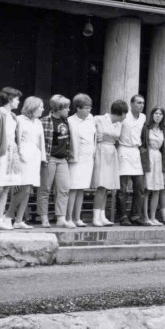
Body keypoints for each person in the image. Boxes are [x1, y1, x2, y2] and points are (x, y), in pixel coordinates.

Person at [0, 87, 22, 230]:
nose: (18, 102)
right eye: (17, 99)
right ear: (9, 99)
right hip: (1, 155)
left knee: (6, 188)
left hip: (11, 155)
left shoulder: (13, 116)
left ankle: (0, 220)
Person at [90, 99, 126, 227]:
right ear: (120, 113)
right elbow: (90, 133)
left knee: (106, 187)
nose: (125, 116)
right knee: (101, 186)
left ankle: (102, 215)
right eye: (124, 113)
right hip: (101, 151)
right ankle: (95, 217)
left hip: (111, 152)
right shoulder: (98, 119)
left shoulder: (119, 124)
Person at [11, 96, 46, 229]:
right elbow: (17, 139)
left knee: (29, 188)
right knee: (24, 189)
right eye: (40, 106)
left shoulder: (38, 122)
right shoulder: (19, 120)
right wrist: (19, 155)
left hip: (34, 157)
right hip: (22, 156)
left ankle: (19, 220)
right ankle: (8, 216)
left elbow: (40, 141)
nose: (43, 109)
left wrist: (43, 158)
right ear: (33, 107)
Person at [38, 94, 72, 228]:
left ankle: (61, 218)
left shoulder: (66, 121)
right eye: (66, 108)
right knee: (45, 189)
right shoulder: (44, 121)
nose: (69, 110)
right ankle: (44, 218)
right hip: (49, 158)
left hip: (63, 159)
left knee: (64, 189)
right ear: (58, 108)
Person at [66, 93, 96, 228]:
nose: (89, 110)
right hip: (76, 159)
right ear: (78, 108)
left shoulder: (91, 119)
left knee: (81, 189)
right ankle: (68, 218)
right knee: (73, 188)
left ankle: (77, 217)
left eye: (90, 107)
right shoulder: (70, 121)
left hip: (88, 159)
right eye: (86, 108)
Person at [116, 94, 146, 226]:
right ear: (132, 103)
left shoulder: (143, 117)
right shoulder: (124, 116)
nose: (141, 105)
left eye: (143, 103)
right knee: (122, 187)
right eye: (138, 103)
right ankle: (123, 216)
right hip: (123, 149)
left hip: (135, 151)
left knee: (139, 186)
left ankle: (135, 215)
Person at [141, 107, 165, 226]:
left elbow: (164, 147)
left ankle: (153, 217)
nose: (158, 116)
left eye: (160, 114)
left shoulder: (163, 129)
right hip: (148, 157)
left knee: (156, 189)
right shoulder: (146, 128)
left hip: (158, 158)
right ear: (151, 115)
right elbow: (142, 144)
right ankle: (145, 217)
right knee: (147, 189)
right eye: (156, 113)